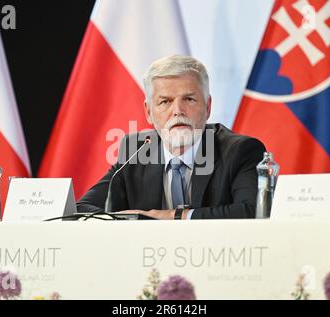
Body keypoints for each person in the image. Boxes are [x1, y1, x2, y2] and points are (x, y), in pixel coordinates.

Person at [77, 55, 266, 219]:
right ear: (149, 112)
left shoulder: (241, 151)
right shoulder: (135, 151)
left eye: (189, 99)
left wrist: (174, 216)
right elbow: (82, 209)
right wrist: (133, 220)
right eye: (165, 102)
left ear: (208, 107)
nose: (178, 111)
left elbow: (252, 212)